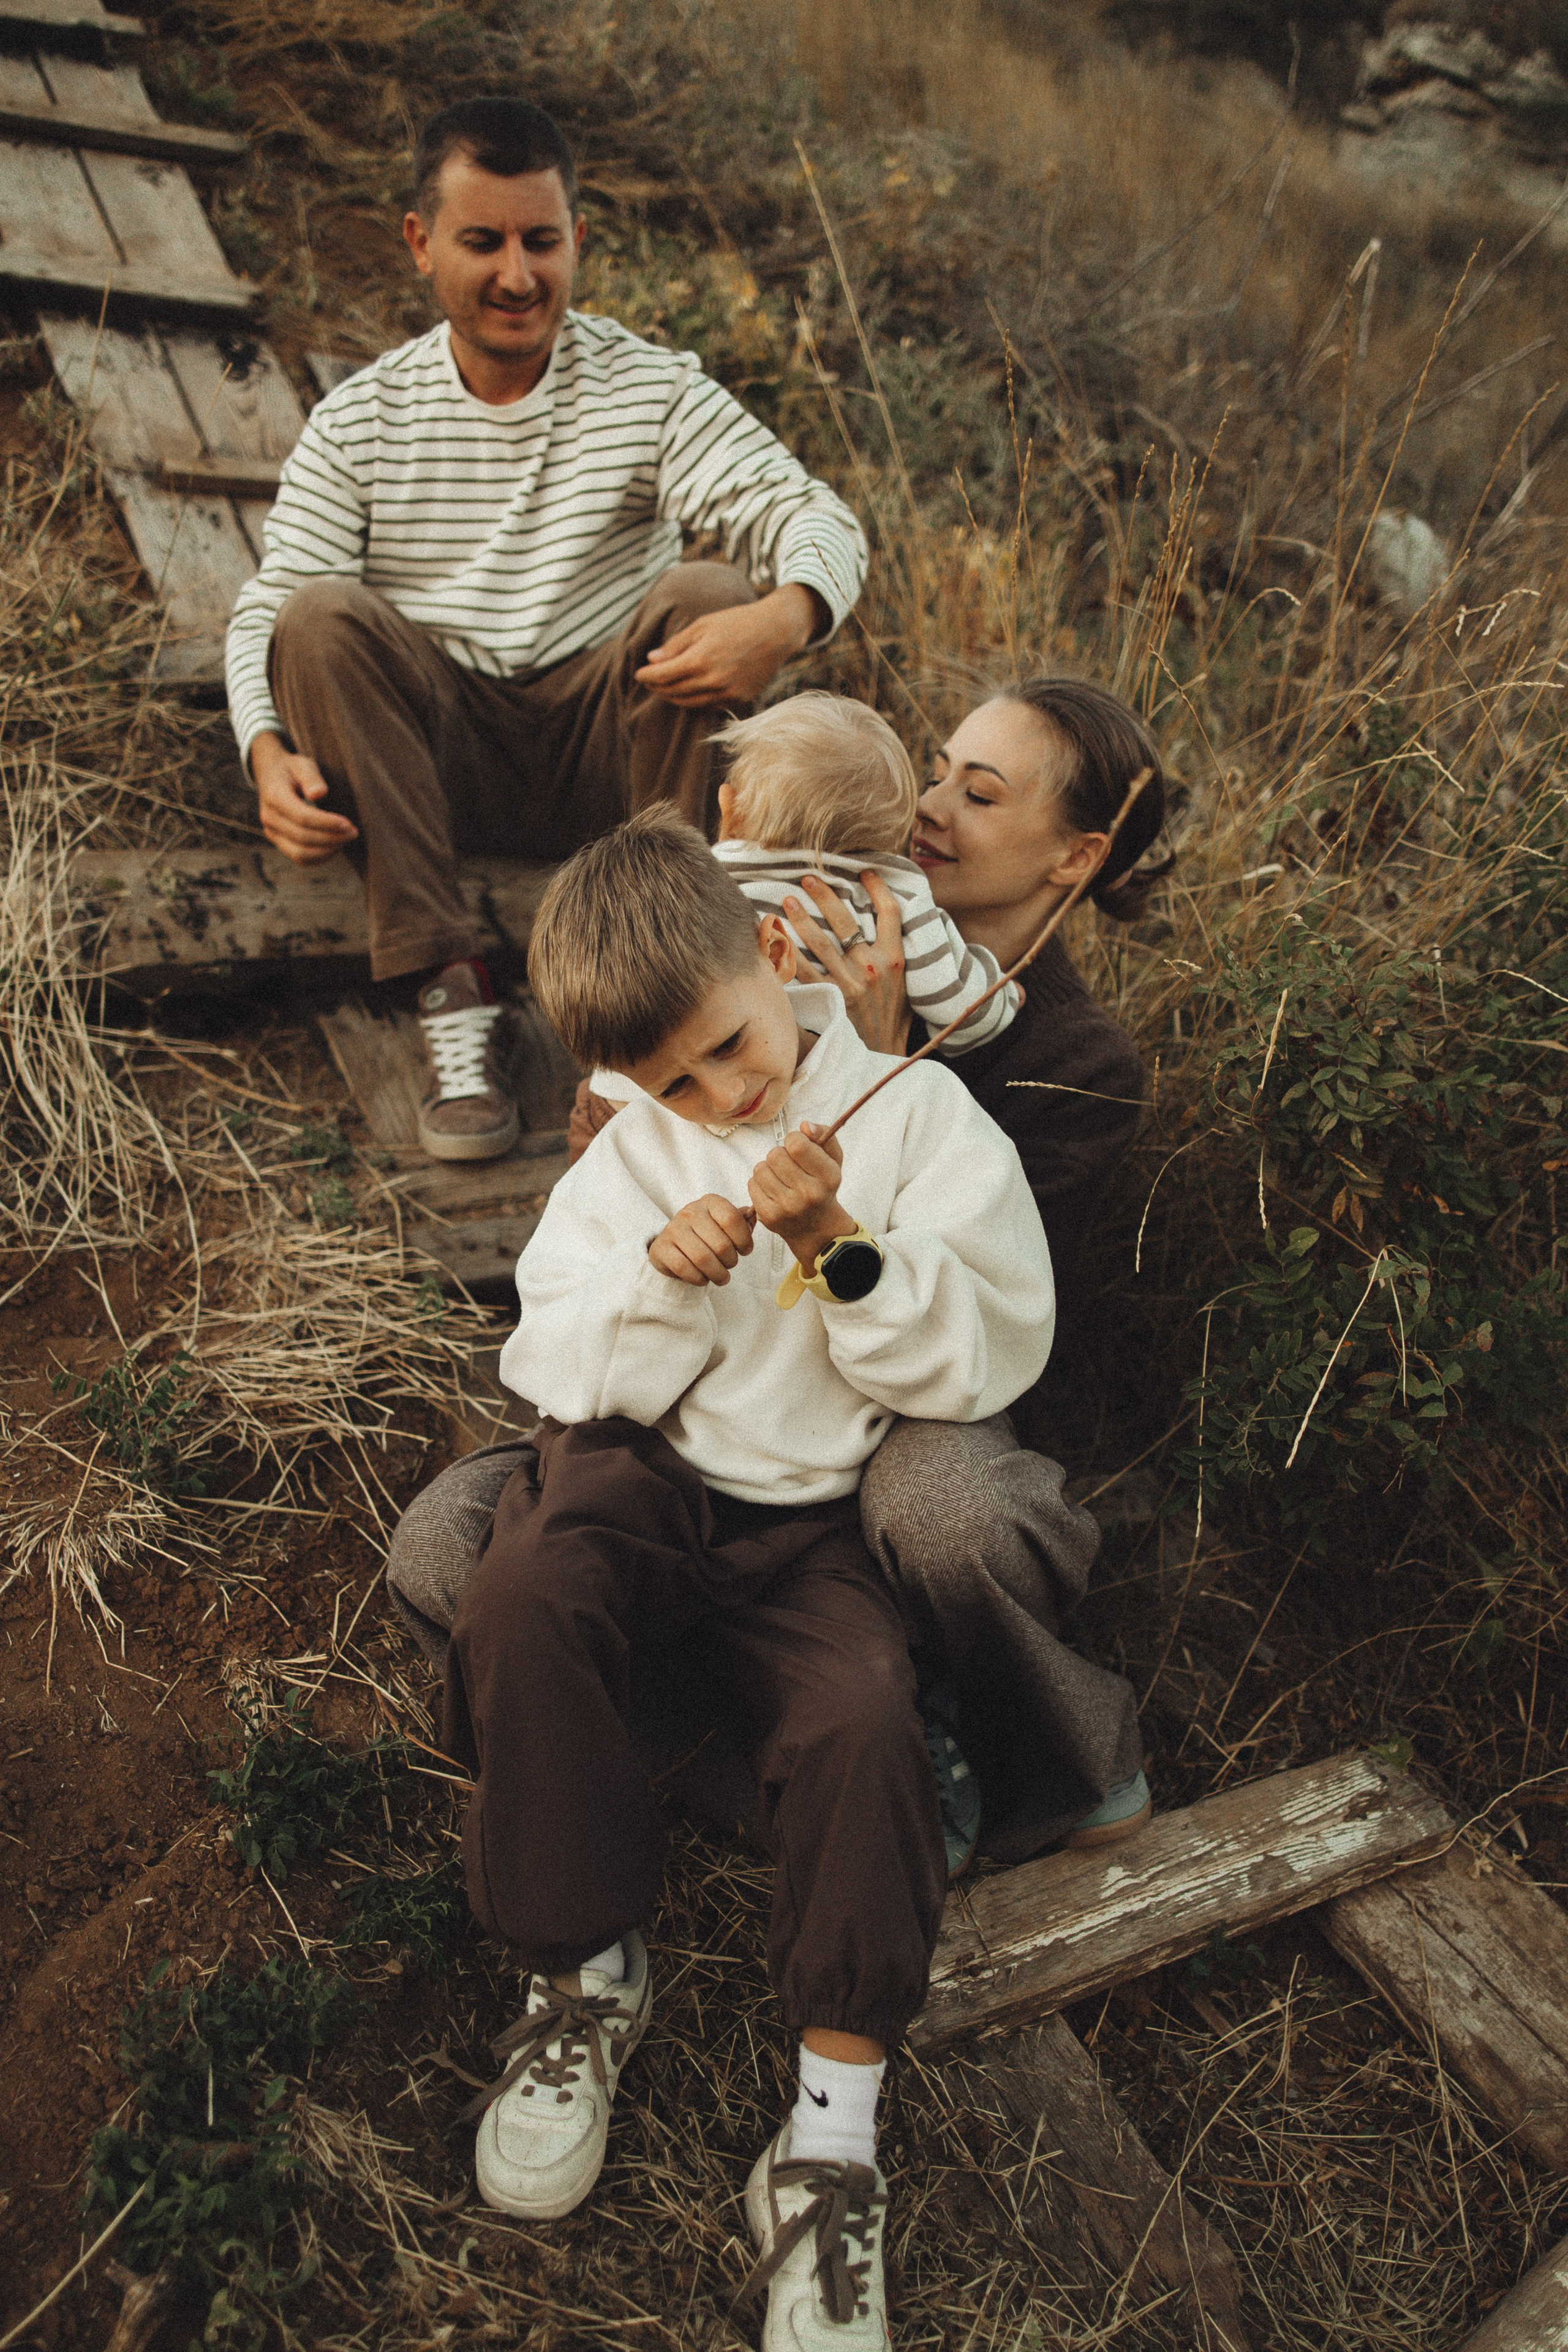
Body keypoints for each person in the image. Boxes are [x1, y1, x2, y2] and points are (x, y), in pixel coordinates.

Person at [445, 808, 1055, 2345]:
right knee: (517, 1593)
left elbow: (994, 1341)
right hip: (637, 1478)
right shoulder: (633, 1148)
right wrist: (657, 1274)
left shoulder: (917, 1113)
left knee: (858, 1715)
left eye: (729, 1044)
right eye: (675, 1084)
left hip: (806, 1516)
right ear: (621, 1086)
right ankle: (581, 1972)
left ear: (774, 956)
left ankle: (828, 2142)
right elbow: (551, 1350)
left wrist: (845, 1246)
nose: (724, 1095)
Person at [388, 676, 1167, 1870]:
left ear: (1077, 855)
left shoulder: (1076, 1056)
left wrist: (880, 1048)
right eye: (935, 763)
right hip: (709, 1389)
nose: (928, 803)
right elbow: (618, 1137)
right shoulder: (771, 929)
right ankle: (783, 1763)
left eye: (979, 790)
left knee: (948, 1515)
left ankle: (1042, 1751)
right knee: (451, 1547)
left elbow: (1009, 1302)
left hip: (905, 1409)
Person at [224, 96, 866, 1164]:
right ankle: (451, 986)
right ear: (422, 245)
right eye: (483, 242)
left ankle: (664, 998)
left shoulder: (650, 388)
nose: (518, 275)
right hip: (437, 762)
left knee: (706, 595)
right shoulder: (364, 416)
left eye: (542, 240)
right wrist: (264, 748)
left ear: (580, 241)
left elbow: (811, 513)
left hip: (610, 754)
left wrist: (786, 617)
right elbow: (269, 605)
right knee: (318, 618)